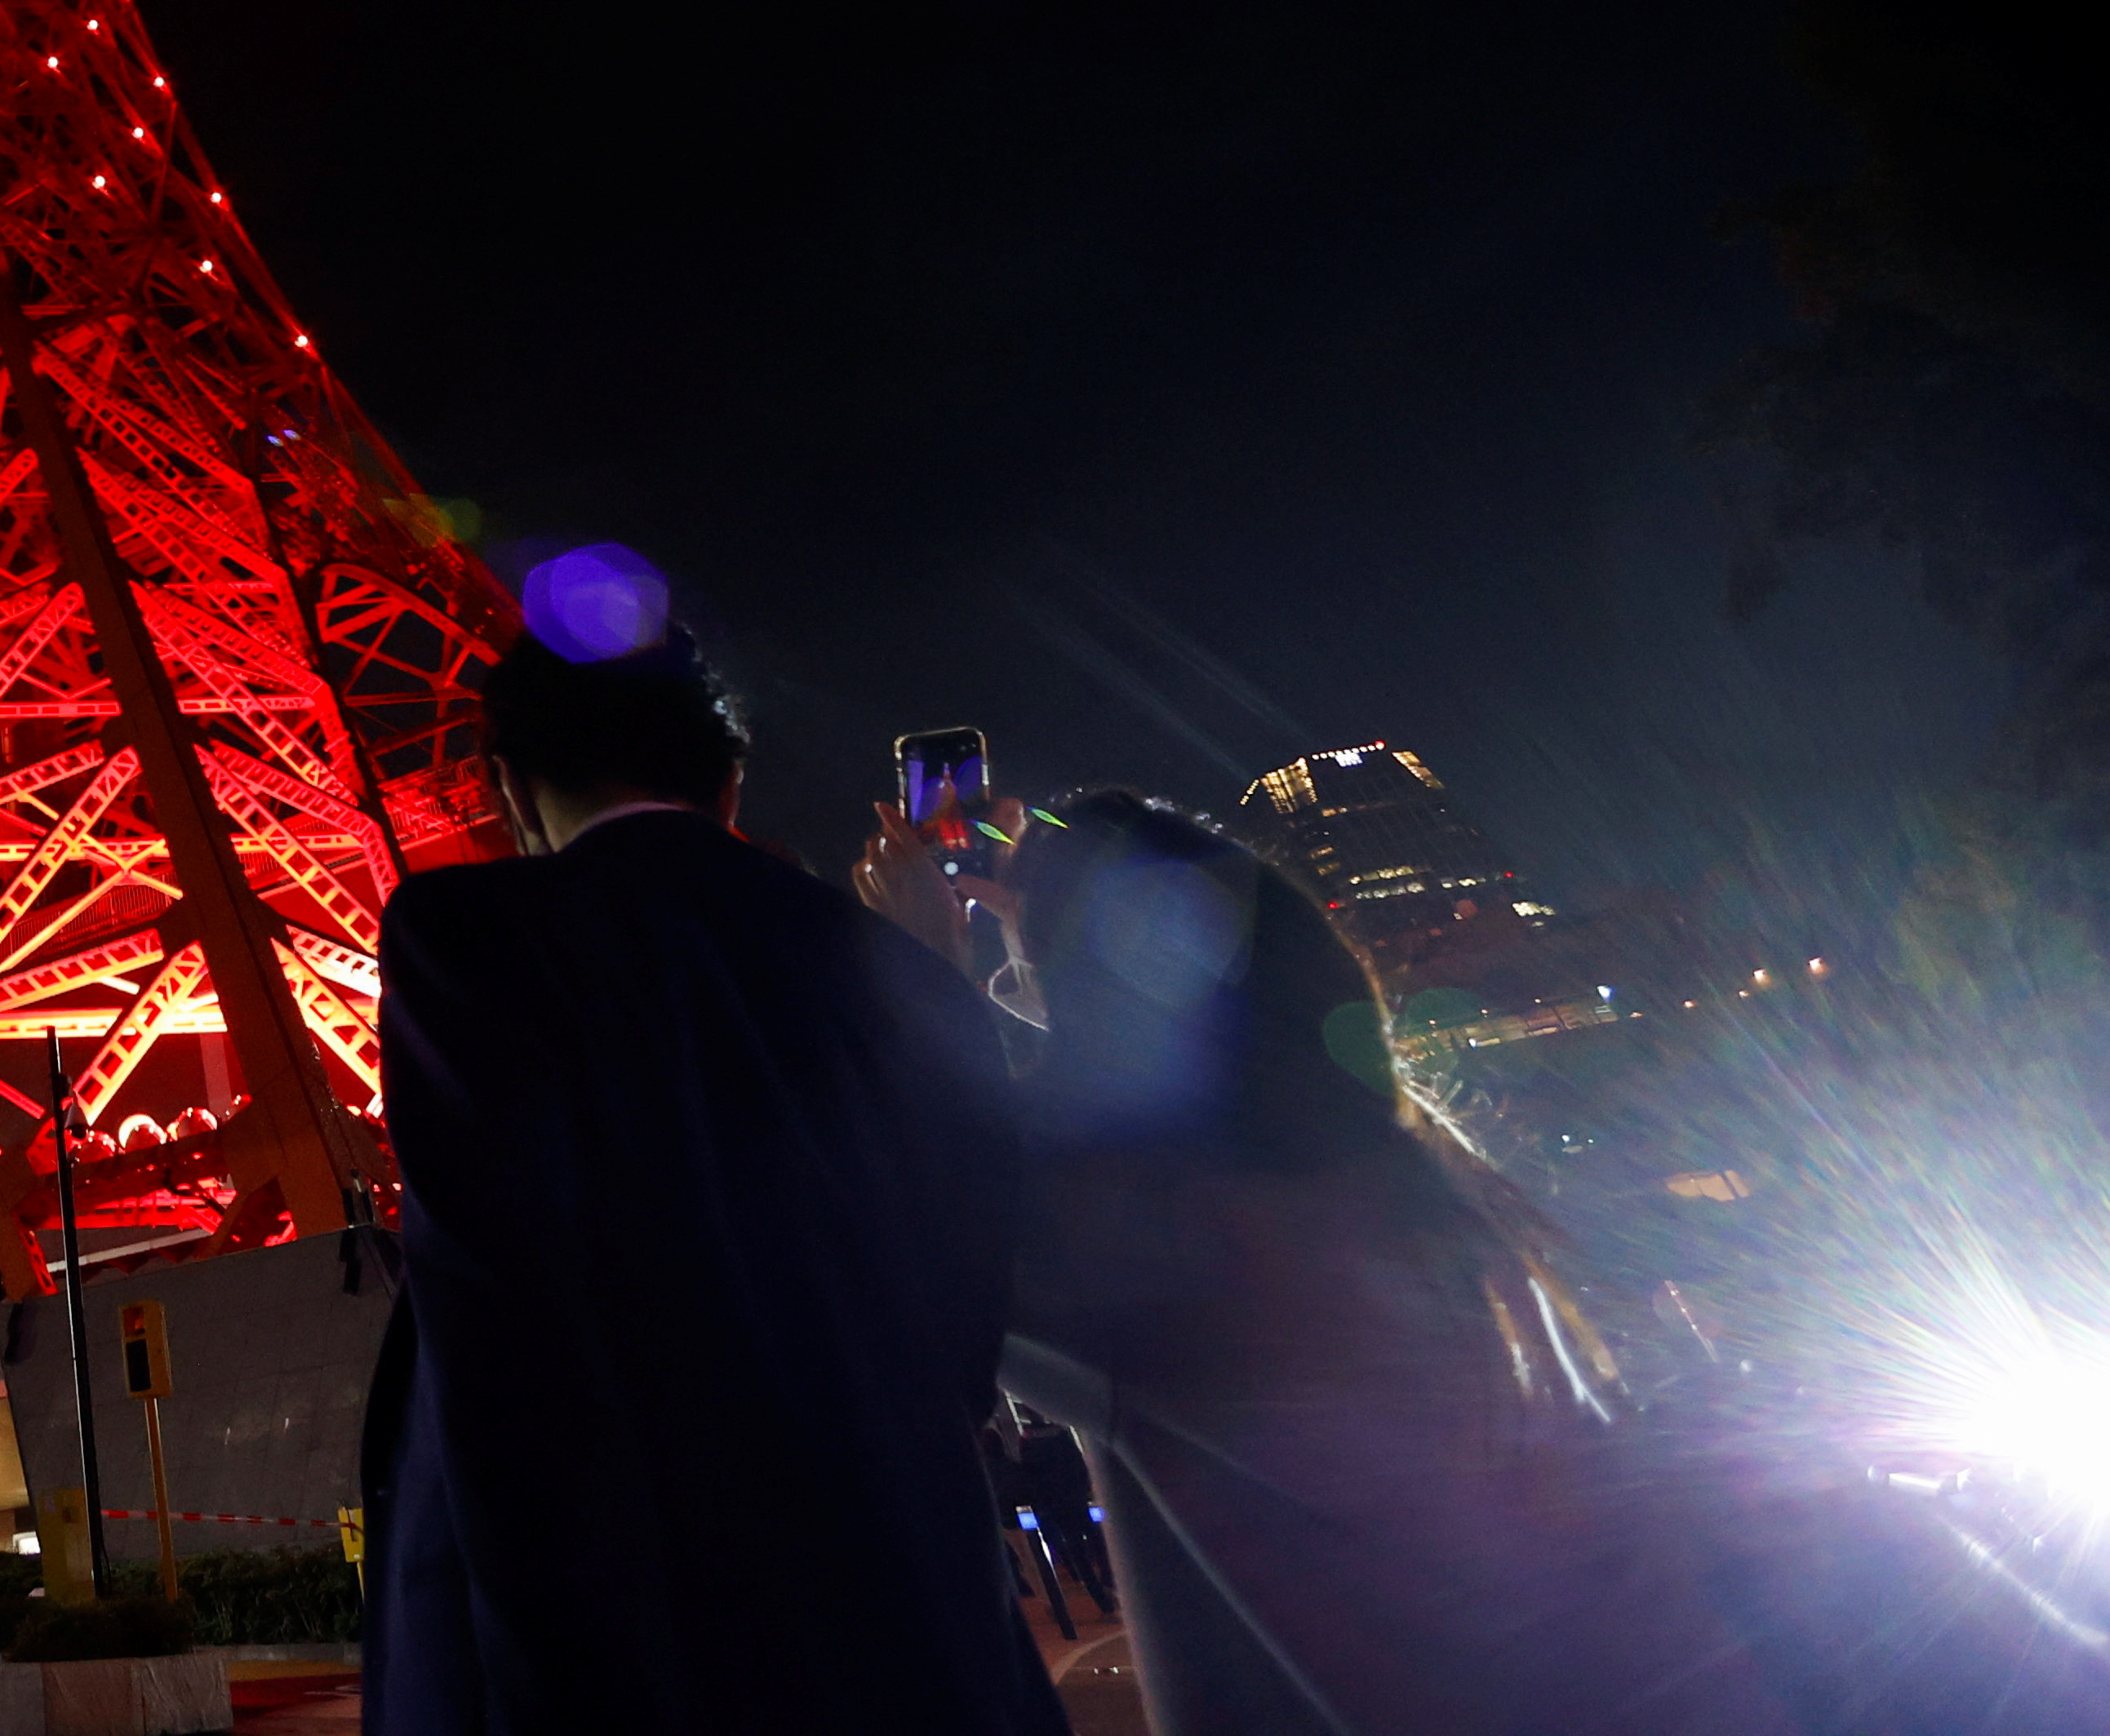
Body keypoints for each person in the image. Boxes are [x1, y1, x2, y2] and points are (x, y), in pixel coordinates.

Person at [860, 792, 1787, 1736]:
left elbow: (925, 1218)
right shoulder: (1416, 1183)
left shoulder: (1163, 1244)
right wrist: (1050, 943)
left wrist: (920, 972)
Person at [362, 631, 1066, 1733]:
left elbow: (500, 1327)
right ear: (728, 775)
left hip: (640, 1608)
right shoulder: (890, 956)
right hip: (907, 1581)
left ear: (507, 784)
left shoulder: (470, 933)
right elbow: (971, 1276)